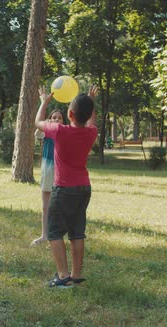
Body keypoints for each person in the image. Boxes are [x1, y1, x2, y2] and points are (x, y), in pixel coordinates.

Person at [34, 85, 98, 287]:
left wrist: (44, 100)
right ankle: (76, 275)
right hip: (84, 189)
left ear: (69, 114)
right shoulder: (91, 132)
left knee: (54, 232)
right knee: (77, 232)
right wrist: (90, 100)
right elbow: (91, 120)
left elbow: (37, 122)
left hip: (63, 190)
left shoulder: (59, 131)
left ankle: (63, 277)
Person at [31, 106, 65, 246]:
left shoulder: (65, 132)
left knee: (61, 206)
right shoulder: (46, 132)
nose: (57, 119)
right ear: (50, 120)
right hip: (48, 170)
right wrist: (44, 124)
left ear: (64, 121)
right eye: (54, 117)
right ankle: (44, 235)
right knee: (46, 206)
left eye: (59, 118)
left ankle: (59, 234)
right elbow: (37, 134)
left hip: (62, 172)